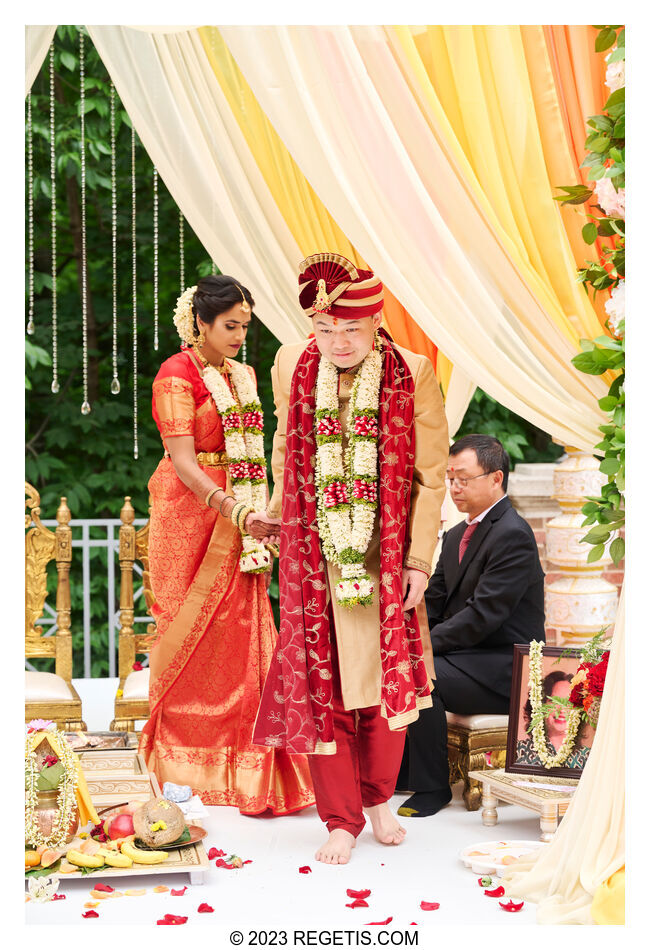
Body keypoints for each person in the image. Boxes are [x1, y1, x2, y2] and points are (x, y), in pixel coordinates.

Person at [250, 253, 448, 864]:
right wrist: (278, 517)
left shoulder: (413, 372)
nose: (337, 342)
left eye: (350, 330)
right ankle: (339, 818)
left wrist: (418, 561)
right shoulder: (290, 363)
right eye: (324, 329)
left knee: (385, 686)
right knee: (322, 685)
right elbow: (286, 447)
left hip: (384, 554)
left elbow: (431, 477)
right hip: (313, 558)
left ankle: (379, 799)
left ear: (376, 320)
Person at [139, 275, 314, 816]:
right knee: (191, 632)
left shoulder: (244, 374)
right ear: (201, 324)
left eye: (245, 325)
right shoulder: (175, 374)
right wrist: (237, 511)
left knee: (244, 632)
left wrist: (257, 509)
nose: (240, 335)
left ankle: (250, 765)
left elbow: (253, 452)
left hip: (242, 514)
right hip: (193, 515)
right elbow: (185, 462)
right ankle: (182, 766)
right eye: (230, 326)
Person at [397, 433, 545, 817]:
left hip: (505, 668)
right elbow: (433, 602)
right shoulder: (457, 535)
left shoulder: (513, 534)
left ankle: (433, 788)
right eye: (450, 478)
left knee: (421, 671)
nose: (454, 487)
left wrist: (419, 647)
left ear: (496, 478)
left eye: (464, 478)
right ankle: (406, 773)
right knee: (402, 662)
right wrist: (400, 630)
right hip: (469, 659)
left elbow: (482, 617)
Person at [516, 671, 590, 770]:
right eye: (554, 701)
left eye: (569, 702)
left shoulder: (589, 757)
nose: (561, 709)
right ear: (541, 705)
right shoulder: (518, 750)